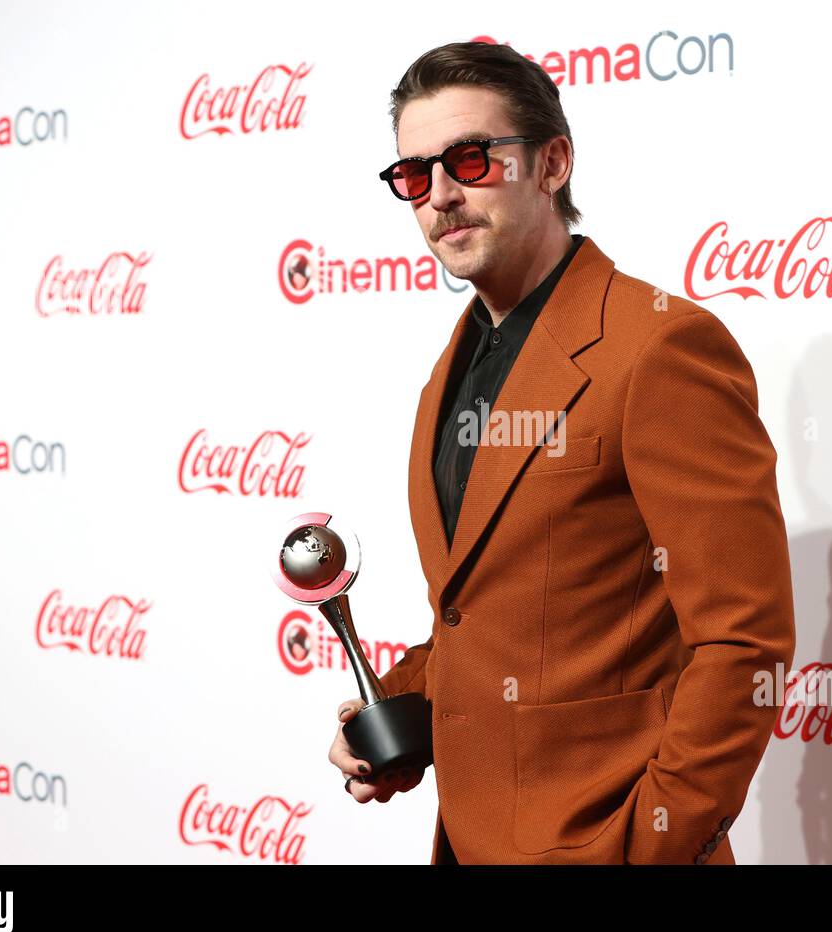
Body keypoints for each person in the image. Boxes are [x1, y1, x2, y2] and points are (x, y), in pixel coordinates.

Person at [327, 40, 796, 865]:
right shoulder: (457, 365)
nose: (439, 196)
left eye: (470, 159)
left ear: (553, 162)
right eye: (412, 175)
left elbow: (743, 646)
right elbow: (489, 620)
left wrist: (645, 845)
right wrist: (396, 709)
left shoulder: (660, 347)